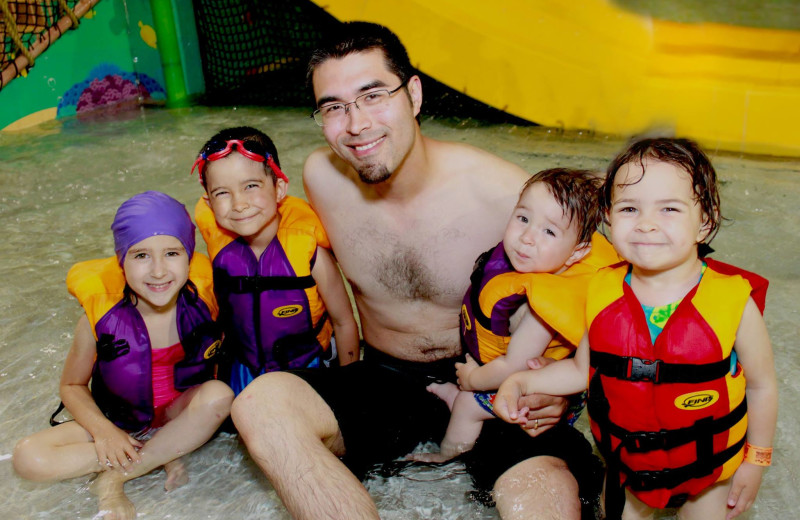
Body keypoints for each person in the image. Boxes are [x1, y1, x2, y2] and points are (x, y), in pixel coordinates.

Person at [231, 22, 602, 520]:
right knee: (260, 406)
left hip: (497, 380)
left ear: (415, 95)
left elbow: (604, 289)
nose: (357, 124)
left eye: (373, 95)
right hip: (387, 378)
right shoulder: (322, 177)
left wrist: (564, 389)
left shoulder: (502, 193)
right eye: (334, 107)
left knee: (544, 494)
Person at [495, 137, 778, 520]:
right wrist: (521, 383)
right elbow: (583, 370)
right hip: (630, 467)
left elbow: (762, 386)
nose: (646, 224)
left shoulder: (734, 304)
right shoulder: (602, 292)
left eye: (669, 209)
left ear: (705, 223)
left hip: (707, 473)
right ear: (609, 219)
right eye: (630, 208)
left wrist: (756, 461)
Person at [12, 191, 234, 520]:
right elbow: (72, 386)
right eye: (141, 255)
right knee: (29, 458)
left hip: (176, 412)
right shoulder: (100, 319)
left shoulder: (207, 302)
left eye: (172, 253)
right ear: (121, 261)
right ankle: (162, 451)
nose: (158, 271)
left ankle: (117, 474)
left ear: (189, 256)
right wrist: (105, 432)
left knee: (219, 396)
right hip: (118, 417)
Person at [410, 168, 620, 463]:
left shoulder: (543, 309)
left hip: (539, 389)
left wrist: (472, 380)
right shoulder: (525, 267)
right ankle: (456, 395)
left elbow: (512, 367)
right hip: (515, 373)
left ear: (576, 254)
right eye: (523, 218)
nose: (527, 238)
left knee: (469, 406)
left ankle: (447, 458)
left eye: (549, 231)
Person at [191, 126, 359, 395]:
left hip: (307, 366)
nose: (239, 204)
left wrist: (349, 387)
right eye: (222, 192)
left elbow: (344, 321)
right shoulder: (220, 250)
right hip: (243, 367)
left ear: (279, 188)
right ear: (208, 202)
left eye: (251, 186)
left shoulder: (309, 252)